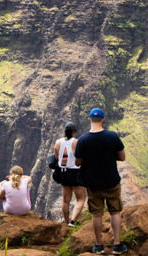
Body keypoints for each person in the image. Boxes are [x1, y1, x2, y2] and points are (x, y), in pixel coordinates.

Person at [75, 108, 127, 255]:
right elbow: (122, 157)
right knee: (115, 211)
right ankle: (117, 244)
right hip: (112, 182)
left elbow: (78, 162)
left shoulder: (83, 140)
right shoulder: (112, 136)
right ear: (103, 120)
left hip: (93, 184)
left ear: (89, 120)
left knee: (96, 214)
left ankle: (98, 245)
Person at [54, 122, 86, 227]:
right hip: (75, 172)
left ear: (64, 131)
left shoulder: (58, 142)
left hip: (63, 173)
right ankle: (73, 221)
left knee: (65, 200)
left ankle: (67, 222)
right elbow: (82, 157)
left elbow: (56, 157)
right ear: (74, 132)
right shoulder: (77, 142)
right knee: (81, 198)